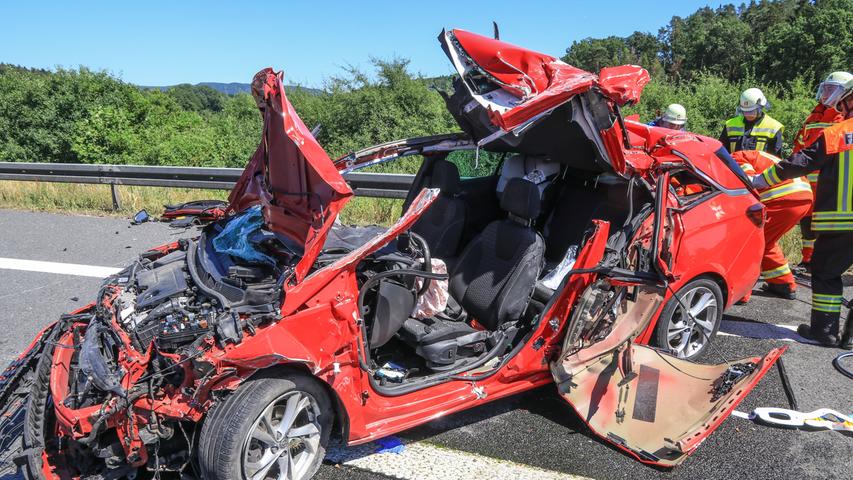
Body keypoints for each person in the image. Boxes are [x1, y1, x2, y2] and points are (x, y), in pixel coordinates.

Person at [752, 73, 853, 349]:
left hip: (843, 220)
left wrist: (761, 179)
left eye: (843, 104)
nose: (840, 109)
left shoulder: (840, 133)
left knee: (825, 273)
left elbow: (801, 161)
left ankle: (825, 332)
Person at [733, 150, 813, 300]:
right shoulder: (755, 155)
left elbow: (749, 185)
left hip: (783, 198)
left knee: (749, 242)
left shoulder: (736, 158)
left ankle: (741, 292)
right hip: (803, 196)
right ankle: (782, 283)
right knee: (765, 241)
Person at [792, 72, 851, 268]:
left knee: (830, 227)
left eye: (831, 90)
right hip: (807, 180)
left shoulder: (844, 118)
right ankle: (808, 258)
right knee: (807, 222)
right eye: (825, 89)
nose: (826, 94)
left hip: (832, 182)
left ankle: (826, 261)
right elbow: (800, 146)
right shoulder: (814, 115)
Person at [720, 88, 784, 156]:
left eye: (751, 111)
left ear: (760, 107)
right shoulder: (730, 125)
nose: (747, 114)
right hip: (734, 166)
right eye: (744, 111)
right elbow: (721, 152)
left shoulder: (774, 127)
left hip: (760, 166)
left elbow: (776, 159)